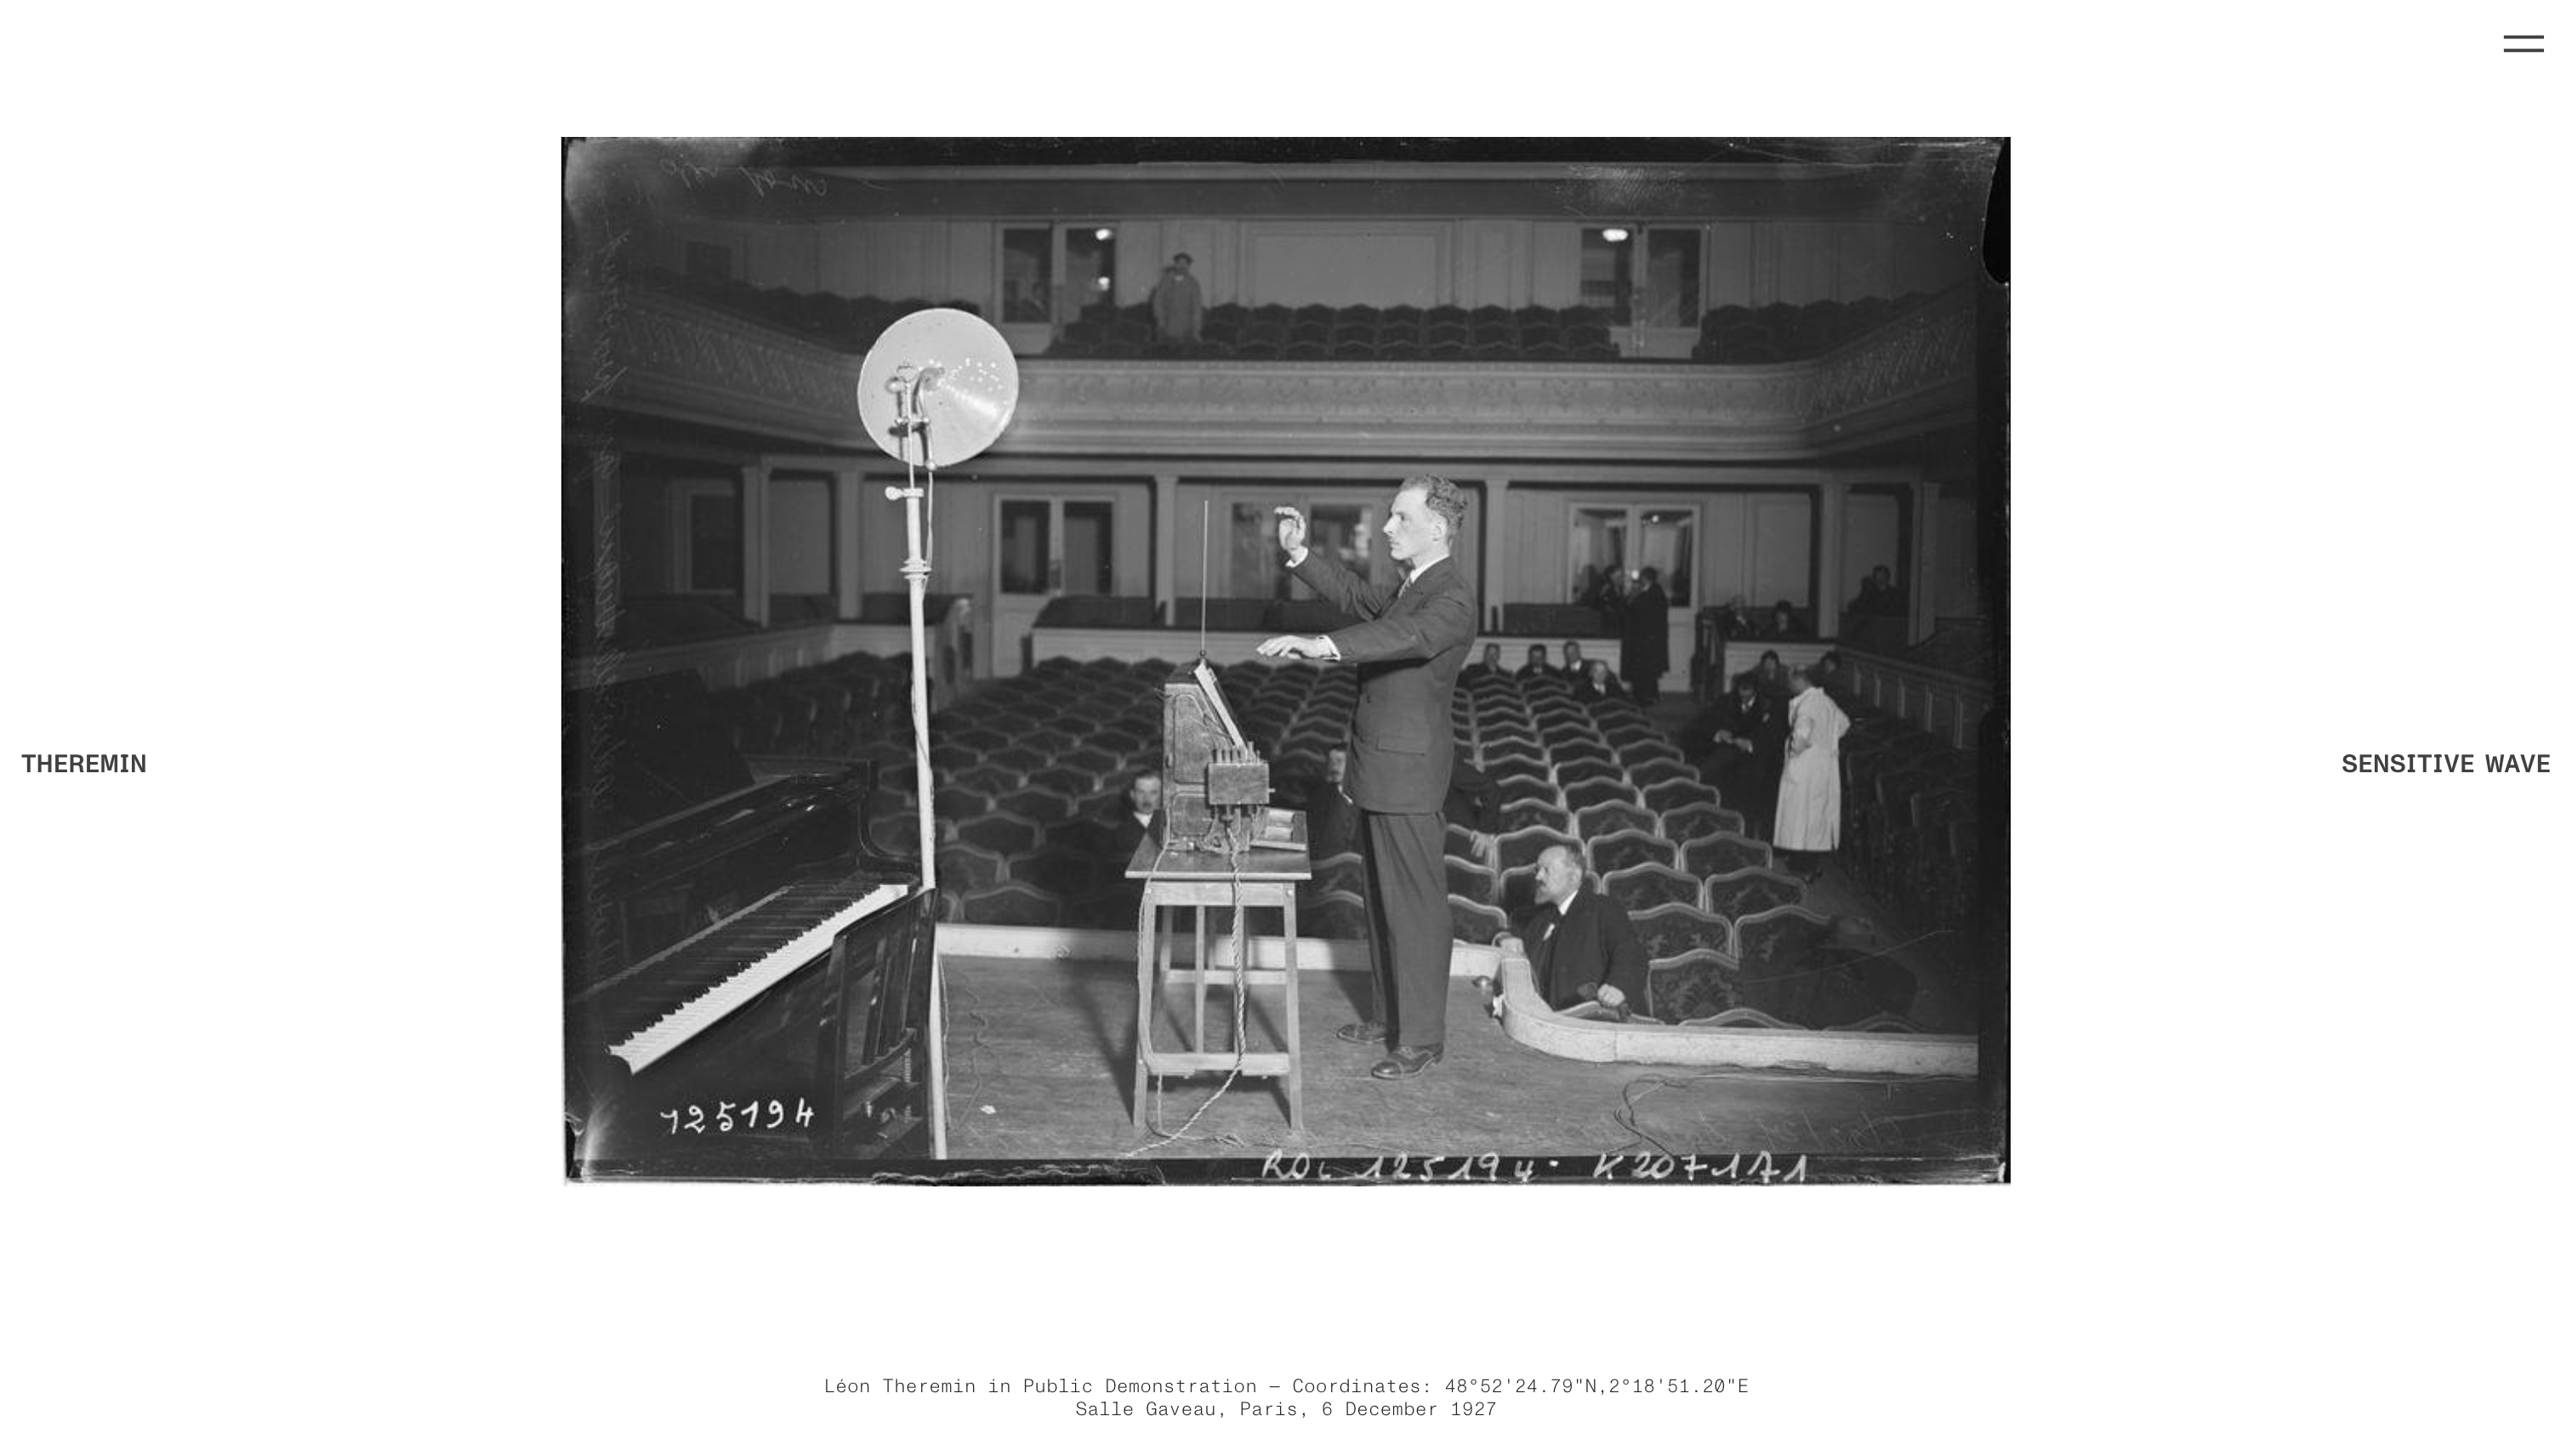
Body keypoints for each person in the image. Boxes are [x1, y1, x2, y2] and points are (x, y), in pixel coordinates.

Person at [1258, 475, 1478, 1080]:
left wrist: (1321, 645)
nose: (1386, 528)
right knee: (1382, 904)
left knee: (1416, 908)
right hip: (1382, 766)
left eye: (1399, 518)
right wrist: (1300, 554)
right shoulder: (1414, 587)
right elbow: (1358, 598)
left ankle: (1424, 1038)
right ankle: (1391, 1019)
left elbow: (1401, 636)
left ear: (1436, 527)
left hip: (1409, 772)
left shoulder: (1450, 597)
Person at [1522, 845, 1647, 1015]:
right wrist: (1505, 936)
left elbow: (1629, 951)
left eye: (1546, 870)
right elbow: (1512, 931)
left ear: (1574, 876)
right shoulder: (1540, 920)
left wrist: (1619, 986)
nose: (1538, 876)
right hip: (1549, 1024)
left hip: (1600, 1021)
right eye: (1537, 870)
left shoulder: (1602, 908)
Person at [1773, 664, 1850, 883]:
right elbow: (1844, 724)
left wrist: (1796, 745)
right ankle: (1809, 866)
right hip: (1823, 768)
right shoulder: (1825, 700)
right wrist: (1825, 743)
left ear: (1799, 680)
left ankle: (1802, 869)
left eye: (1790, 682)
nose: (1789, 686)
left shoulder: (1807, 704)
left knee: (1801, 818)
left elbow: (1800, 736)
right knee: (1815, 819)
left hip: (1805, 768)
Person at [1701, 671, 1780, 834]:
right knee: (1708, 772)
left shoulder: (1768, 706)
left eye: (1748, 695)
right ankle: (1717, 827)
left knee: (1753, 784)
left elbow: (1772, 737)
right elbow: (1708, 723)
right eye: (1740, 693)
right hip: (1728, 751)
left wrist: (1751, 744)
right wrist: (1718, 733)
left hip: (1755, 755)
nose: (1743, 699)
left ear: (1756, 691)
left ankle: (1748, 832)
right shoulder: (1726, 701)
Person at [1621, 566, 1670, 706]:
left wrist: (1633, 596)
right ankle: (1647, 696)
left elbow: (1636, 610)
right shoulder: (1653, 592)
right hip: (1646, 639)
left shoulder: (1653, 593)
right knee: (1647, 672)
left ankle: (1644, 698)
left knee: (1645, 671)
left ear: (1645, 578)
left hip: (1647, 640)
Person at [1104, 770, 1164, 867]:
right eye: (1141, 792)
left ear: (1162, 795)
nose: (1147, 799)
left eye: (1153, 793)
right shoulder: (1121, 833)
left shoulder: (1172, 827)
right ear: (1132, 795)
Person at [1149, 252, 1203, 347]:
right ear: (1175, 264)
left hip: (1186, 328)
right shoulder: (1165, 280)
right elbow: (1157, 301)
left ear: (1189, 266)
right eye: (1179, 263)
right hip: (1167, 327)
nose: (1182, 266)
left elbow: (1196, 307)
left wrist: (1196, 329)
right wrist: (1161, 320)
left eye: (1185, 264)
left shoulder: (1193, 283)